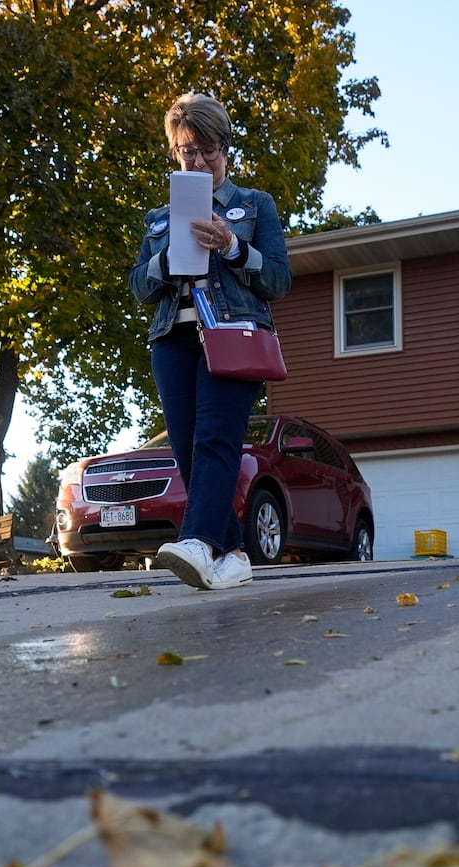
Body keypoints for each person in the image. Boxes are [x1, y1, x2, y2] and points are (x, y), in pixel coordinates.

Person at [129, 93, 292, 590]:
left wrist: (234, 247)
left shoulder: (254, 205)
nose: (198, 161)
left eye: (207, 150)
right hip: (172, 338)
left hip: (231, 336)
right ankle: (237, 554)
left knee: (215, 438)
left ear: (225, 147)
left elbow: (280, 281)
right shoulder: (159, 217)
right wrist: (166, 259)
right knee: (187, 451)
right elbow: (138, 287)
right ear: (175, 153)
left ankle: (197, 542)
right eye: (186, 152)